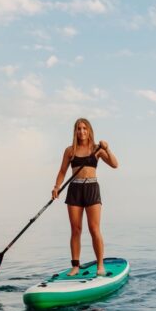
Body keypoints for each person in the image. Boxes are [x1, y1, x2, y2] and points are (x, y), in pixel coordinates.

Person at [52, 118, 118, 276]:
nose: (81, 131)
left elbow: (115, 164)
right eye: (78, 128)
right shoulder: (70, 150)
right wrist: (56, 187)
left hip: (91, 188)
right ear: (75, 131)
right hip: (74, 189)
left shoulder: (97, 149)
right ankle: (75, 266)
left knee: (94, 229)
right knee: (75, 229)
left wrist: (107, 149)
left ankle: (100, 265)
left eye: (84, 128)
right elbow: (62, 171)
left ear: (89, 131)